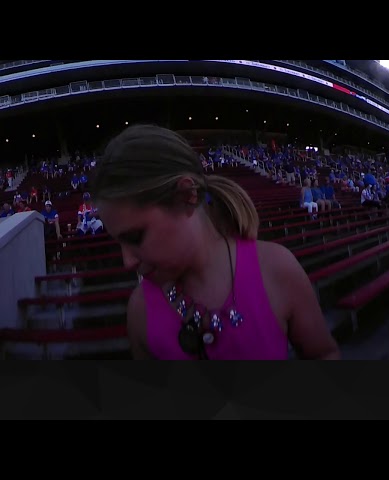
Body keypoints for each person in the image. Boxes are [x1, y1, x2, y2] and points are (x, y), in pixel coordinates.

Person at [91, 124, 340, 361]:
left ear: (186, 196)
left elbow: (323, 354)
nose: (127, 261)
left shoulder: (276, 269)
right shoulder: (140, 310)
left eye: (135, 237)